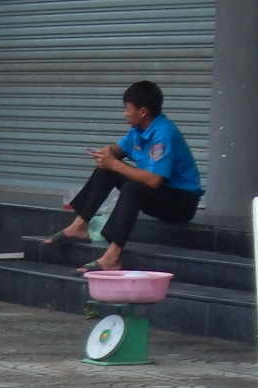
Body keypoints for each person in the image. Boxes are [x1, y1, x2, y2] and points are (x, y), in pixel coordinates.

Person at [57, 80, 202, 271]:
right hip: (160, 194)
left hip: (181, 203)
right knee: (106, 169)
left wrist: (114, 163)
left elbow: (153, 180)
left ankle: (112, 257)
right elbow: (120, 149)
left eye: (127, 108)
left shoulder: (164, 134)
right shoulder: (138, 130)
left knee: (131, 188)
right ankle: (79, 226)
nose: (124, 113)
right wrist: (107, 152)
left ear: (142, 111)